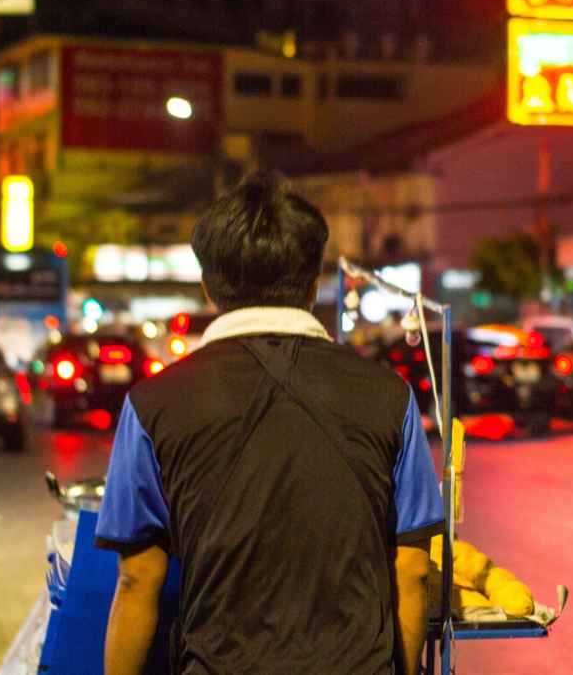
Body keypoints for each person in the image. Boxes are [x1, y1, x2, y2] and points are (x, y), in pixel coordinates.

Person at [96, 171, 444, 675]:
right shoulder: (390, 396)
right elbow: (411, 571)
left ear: (207, 286)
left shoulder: (153, 403)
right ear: (312, 283)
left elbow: (136, 582)